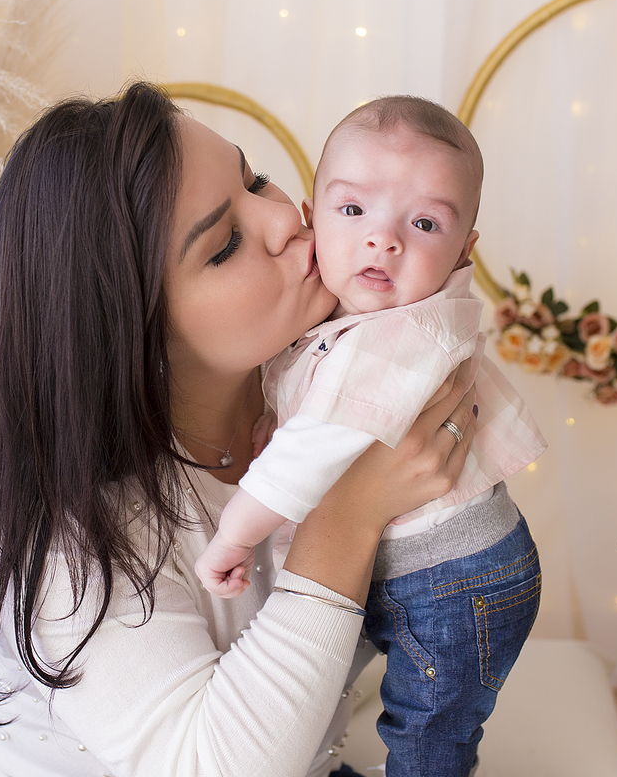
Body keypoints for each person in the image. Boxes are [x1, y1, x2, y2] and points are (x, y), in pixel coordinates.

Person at [0, 82, 480, 777]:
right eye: (224, 245)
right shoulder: (58, 536)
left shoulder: (324, 371)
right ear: (132, 330)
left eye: (254, 178)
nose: (285, 220)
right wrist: (349, 516)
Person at [194, 96, 547, 777]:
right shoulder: (340, 319)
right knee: (321, 669)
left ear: (464, 250)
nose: (384, 240)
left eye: (423, 223)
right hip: (423, 572)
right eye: (353, 211)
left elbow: (319, 440)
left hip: (456, 580)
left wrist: (237, 531)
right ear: (313, 216)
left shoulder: (401, 335)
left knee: (428, 729)